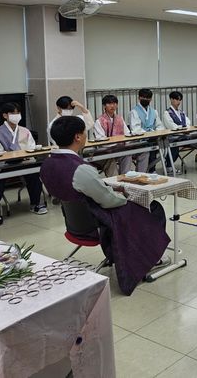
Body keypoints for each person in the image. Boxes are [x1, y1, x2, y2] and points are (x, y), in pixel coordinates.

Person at [40, 116, 170, 296]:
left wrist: (106, 188)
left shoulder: (47, 164)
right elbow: (109, 201)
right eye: (85, 132)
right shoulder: (81, 169)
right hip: (96, 223)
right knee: (152, 207)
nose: (86, 136)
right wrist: (126, 196)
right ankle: (150, 257)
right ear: (78, 137)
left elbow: (76, 189)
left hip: (74, 221)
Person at [0, 102, 47, 215]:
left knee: (34, 173)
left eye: (18, 113)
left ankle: (36, 204)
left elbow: (31, 147)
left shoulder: (25, 131)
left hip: (25, 162)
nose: (16, 115)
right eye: (12, 113)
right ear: (5, 115)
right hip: (5, 165)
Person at [93, 94, 132, 176]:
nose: (112, 106)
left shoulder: (119, 118)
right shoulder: (99, 121)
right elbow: (100, 139)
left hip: (119, 147)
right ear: (104, 106)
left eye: (114, 103)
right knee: (111, 159)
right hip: (106, 150)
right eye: (109, 103)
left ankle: (125, 177)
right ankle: (116, 183)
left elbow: (127, 133)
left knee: (128, 153)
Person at [127, 88, 165, 173]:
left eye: (148, 98)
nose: (146, 99)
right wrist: (149, 133)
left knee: (164, 144)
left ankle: (153, 169)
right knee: (148, 148)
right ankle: (150, 170)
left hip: (152, 138)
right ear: (139, 98)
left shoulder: (153, 111)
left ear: (151, 99)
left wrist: (155, 132)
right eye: (143, 97)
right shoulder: (134, 112)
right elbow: (135, 129)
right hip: (140, 141)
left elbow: (159, 125)